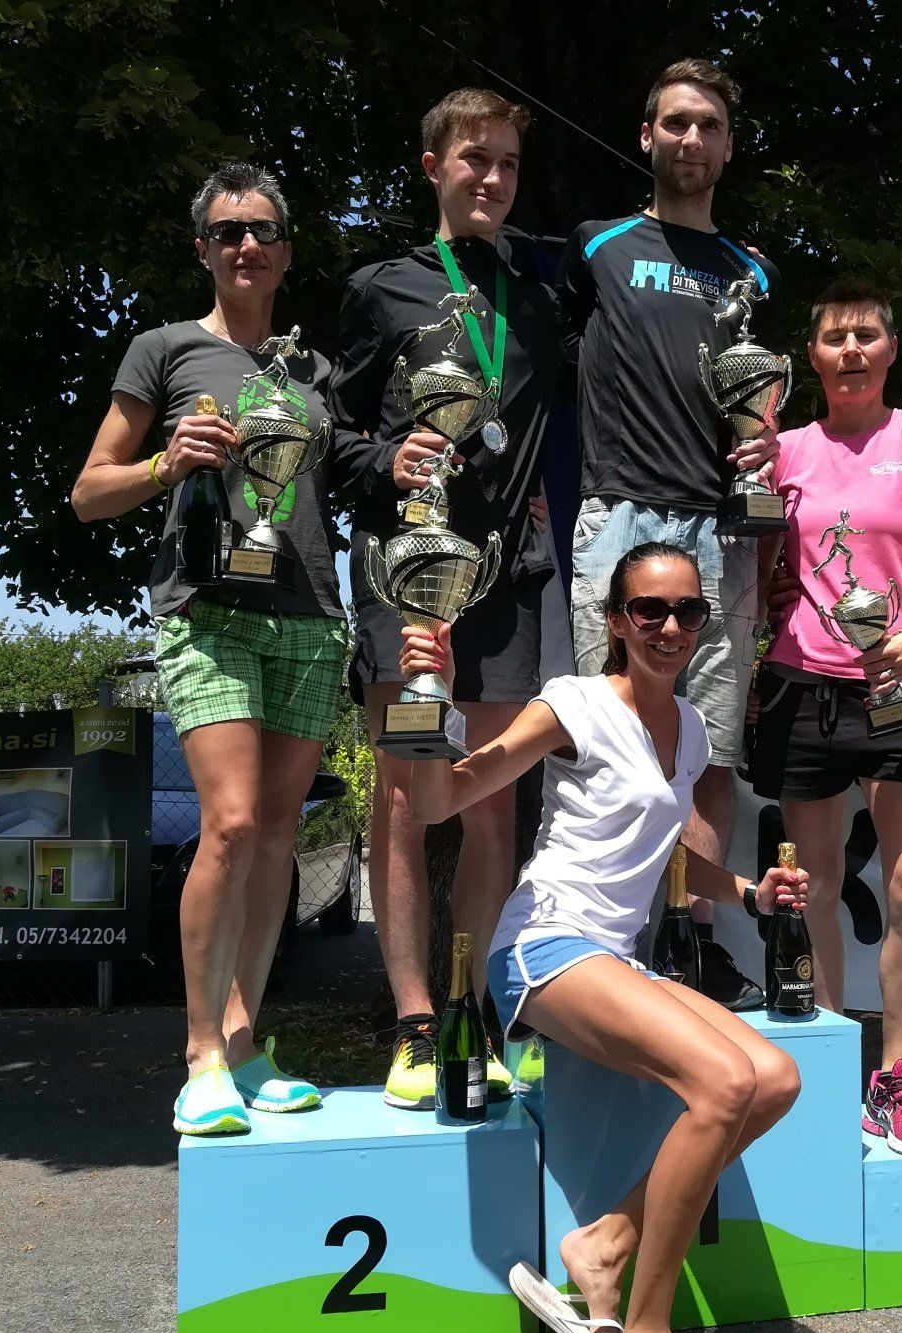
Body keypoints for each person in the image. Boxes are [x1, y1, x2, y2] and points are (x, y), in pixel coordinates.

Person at [394, 542, 802, 1333]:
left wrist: (750, 892)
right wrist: (435, 699)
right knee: (724, 1081)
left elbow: (671, 851)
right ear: (615, 621)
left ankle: (606, 1244)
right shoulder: (573, 703)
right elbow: (438, 802)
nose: (669, 626)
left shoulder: (689, 725)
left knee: (775, 1079)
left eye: (688, 610)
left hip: (616, 954)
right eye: (649, 610)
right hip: (543, 947)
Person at [73, 163, 344, 1136]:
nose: (247, 245)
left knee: (276, 835)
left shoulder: (315, 372)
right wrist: (164, 462)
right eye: (228, 232)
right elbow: (88, 492)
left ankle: (244, 1042)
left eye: (263, 230)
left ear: (286, 249)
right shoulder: (164, 349)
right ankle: (199, 1055)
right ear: (203, 249)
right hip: (209, 609)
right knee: (228, 824)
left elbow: (344, 475)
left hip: (311, 612)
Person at [328, 89, 568, 1110]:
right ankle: (414, 1024)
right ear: (433, 166)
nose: (494, 178)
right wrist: (387, 459)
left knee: (491, 798)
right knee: (403, 796)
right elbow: (330, 436)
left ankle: (475, 1009)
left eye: (509, 163)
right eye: (476, 159)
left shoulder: (544, 298)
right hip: (408, 570)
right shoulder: (379, 288)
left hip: (508, 575)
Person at [559, 59, 780, 1003]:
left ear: (728, 147)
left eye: (710, 126)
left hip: (722, 526)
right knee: (608, 737)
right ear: (646, 136)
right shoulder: (596, 247)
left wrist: (764, 442)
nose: (693, 139)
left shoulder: (752, 271)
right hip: (619, 512)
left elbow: (757, 399)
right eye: (677, 123)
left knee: (712, 747)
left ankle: (694, 941)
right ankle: (601, 937)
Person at [750, 279, 902, 1157]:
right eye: (834, 337)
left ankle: (898, 1074)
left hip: (898, 685)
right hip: (801, 683)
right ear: (811, 356)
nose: (851, 351)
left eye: (867, 336)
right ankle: (834, 1061)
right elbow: (763, 559)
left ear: (891, 350)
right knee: (817, 885)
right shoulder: (784, 449)